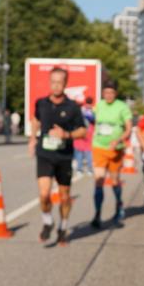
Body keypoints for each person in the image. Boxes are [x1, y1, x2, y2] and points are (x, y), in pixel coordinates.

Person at [28, 67, 87, 246]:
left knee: (64, 197)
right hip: (45, 154)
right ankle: (48, 221)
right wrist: (32, 139)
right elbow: (35, 120)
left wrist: (66, 135)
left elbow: (83, 131)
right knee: (44, 194)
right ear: (49, 82)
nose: (55, 86)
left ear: (65, 84)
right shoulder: (41, 103)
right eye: (53, 81)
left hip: (64, 156)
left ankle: (62, 227)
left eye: (59, 82)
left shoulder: (73, 107)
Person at [90, 80, 132, 228]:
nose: (108, 95)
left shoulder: (122, 107)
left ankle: (118, 205)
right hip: (99, 147)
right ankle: (97, 214)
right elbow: (92, 120)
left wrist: (119, 139)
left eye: (111, 93)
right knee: (99, 180)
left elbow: (128, 129)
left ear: (116, 93)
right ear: (102, 93)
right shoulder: (99, 105)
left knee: (114, 181)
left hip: (116, 149)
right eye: (106, 92)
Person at [73, 97, 95, 175]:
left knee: (79, 152)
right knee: (88, 152)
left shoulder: (81, 110)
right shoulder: (93, 110)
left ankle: (79, 169)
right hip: (89, 133)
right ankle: (89, 169)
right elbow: (94, 121)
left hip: (80, 132)